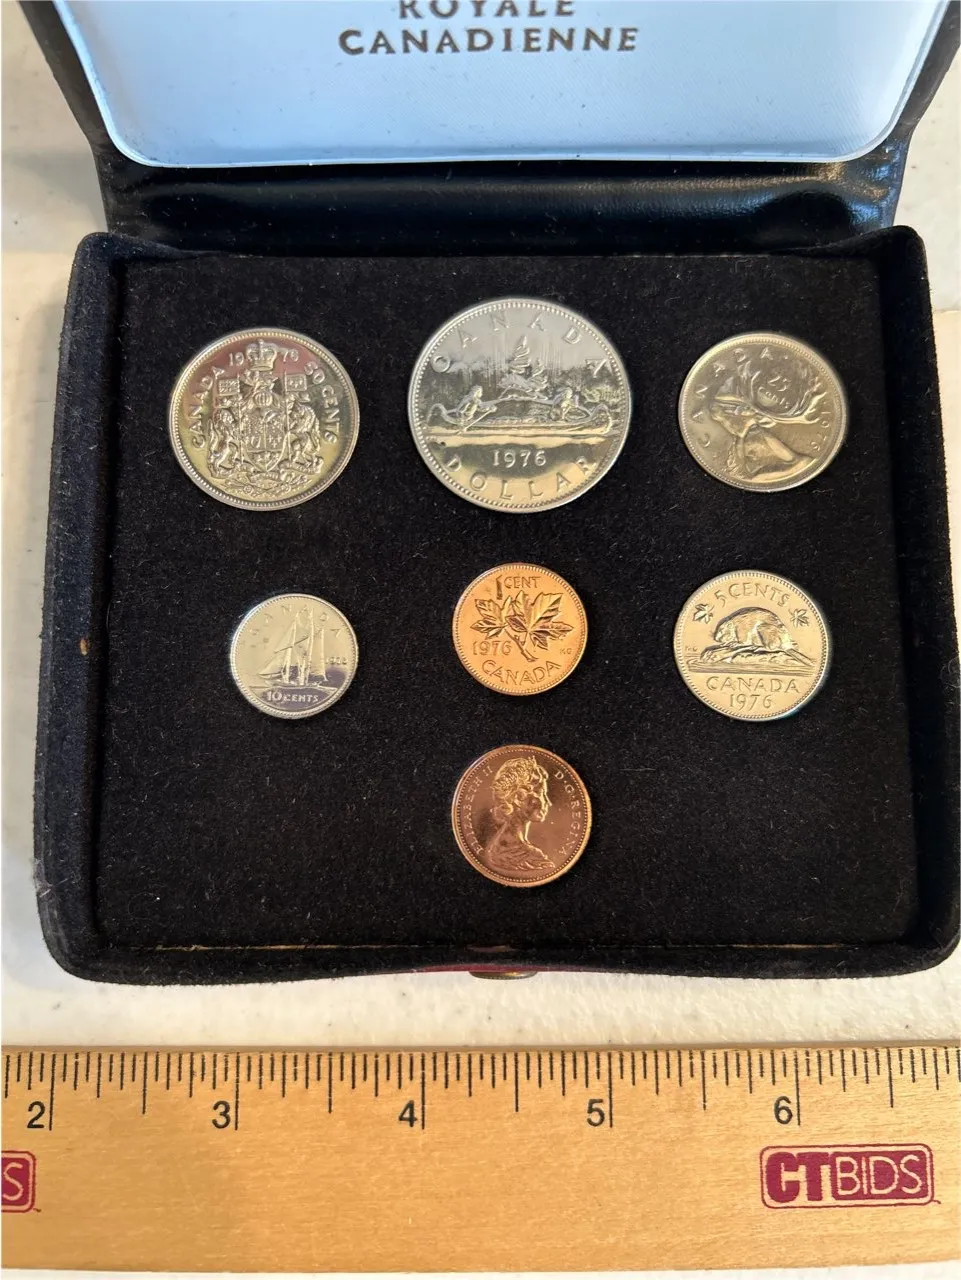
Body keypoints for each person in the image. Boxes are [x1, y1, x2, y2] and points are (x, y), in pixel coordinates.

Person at [483, 755, 555, 874]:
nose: (548, 802)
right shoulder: (532, 857)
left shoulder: (497, 849)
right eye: (541, 793)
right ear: (518, 798)